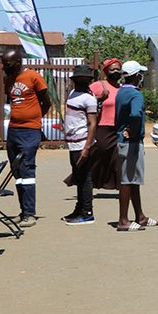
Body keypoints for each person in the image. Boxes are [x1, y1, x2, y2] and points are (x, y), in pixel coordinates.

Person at [1, 49, 50, 227]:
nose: (4, 67)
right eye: (3, 63)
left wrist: (35, 119)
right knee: (17, 172)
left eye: (8, 64)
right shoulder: (8, 79)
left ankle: (30, 214)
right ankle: (23, 211)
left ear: (18, 61)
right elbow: (12, 101)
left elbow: (47, 101)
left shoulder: (33, 77)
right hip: (13, 130)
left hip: (30, 131)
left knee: (27, 169)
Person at [115, 60, 157, 231]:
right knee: (127, 180)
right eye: (141, 74)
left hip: (124, 141)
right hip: (130, 142)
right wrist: (132, 129)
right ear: (136, 76)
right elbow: (135, 113)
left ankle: (140, 216)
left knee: (133, 180)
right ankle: (123, 220)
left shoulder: (121, 92)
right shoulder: (135, 95)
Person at [61, 64, 99, 225]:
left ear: (89, 80)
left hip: (82, 143)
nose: (81, 81)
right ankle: (79, 208)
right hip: (72, 143)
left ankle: (87, 212)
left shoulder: (89, 99)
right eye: (79, 78)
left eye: (85, 79)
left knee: (85, 178)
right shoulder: (72, 94)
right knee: (78, 177)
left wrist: (87, 147)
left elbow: (92, 124)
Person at [88, 58, 123, 192]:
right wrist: (99, 98)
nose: (115, 71)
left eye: (118, 69)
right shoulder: (98, 85)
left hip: (118, 128)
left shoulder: (122, 88)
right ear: (106, 71)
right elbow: (85, 100)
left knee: (118, 158)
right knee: (101, 154)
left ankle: (121, 187)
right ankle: (88, 180)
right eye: (112, 69)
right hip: (103, 127)